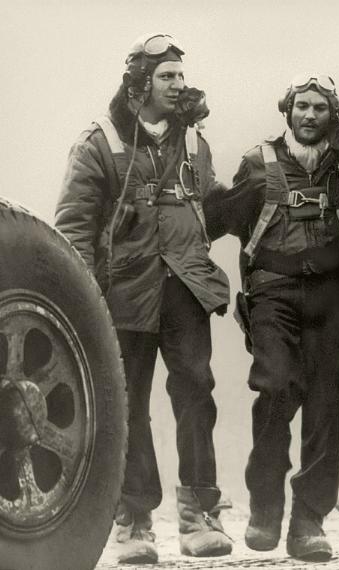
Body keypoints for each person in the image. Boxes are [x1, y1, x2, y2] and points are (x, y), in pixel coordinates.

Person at [55, 33, 232, 564]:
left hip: (185, 290)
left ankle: (200, 515)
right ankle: (133, 520)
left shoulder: (194, 143)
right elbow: (74, 227)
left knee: (196, 393)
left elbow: (209, 211)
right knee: (128, 404)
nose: (178, 85)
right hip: (123, 294)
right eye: (166, 76)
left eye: (181, 75)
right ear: (139, 83)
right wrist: (87, 302)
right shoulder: (99, 142)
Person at [203, 74, 339, 562]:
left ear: (333, 116)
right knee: (275, 388)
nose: (309, 115)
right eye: (301, 106)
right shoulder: (259, 162)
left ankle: (309, 521)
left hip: (333, 297)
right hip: (273, 293)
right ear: (287, 111)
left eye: (319, 107)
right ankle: (266, 504)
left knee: (326, 408)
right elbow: (214, 220)